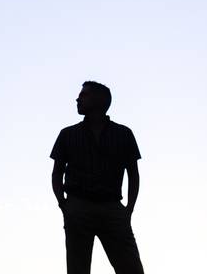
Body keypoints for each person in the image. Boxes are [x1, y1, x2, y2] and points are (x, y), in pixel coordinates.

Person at [50, 81, 144, 274]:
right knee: (78, 269)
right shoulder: (68, 134)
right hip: (78, 206)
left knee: (131, 268)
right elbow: (56, 172)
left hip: (112, 207)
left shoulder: (123, 134)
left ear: (99, 100)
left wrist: (128, 210)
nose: (78, 98)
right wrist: (64, 204)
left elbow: (133, 174)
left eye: (83, 95)